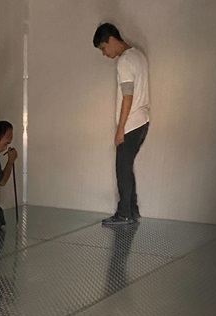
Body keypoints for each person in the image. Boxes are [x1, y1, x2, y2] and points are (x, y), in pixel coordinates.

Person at [93, 23, 150, 225]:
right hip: (143, 121)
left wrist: (120, 129)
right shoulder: (139, 56)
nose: (104, 54)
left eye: (103, 48)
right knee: (126, 166)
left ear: (111, 40)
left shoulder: (124, 61)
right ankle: (132, 211)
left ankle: (124, 213)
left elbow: (128, 96)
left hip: (132, 123)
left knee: (122, 168)